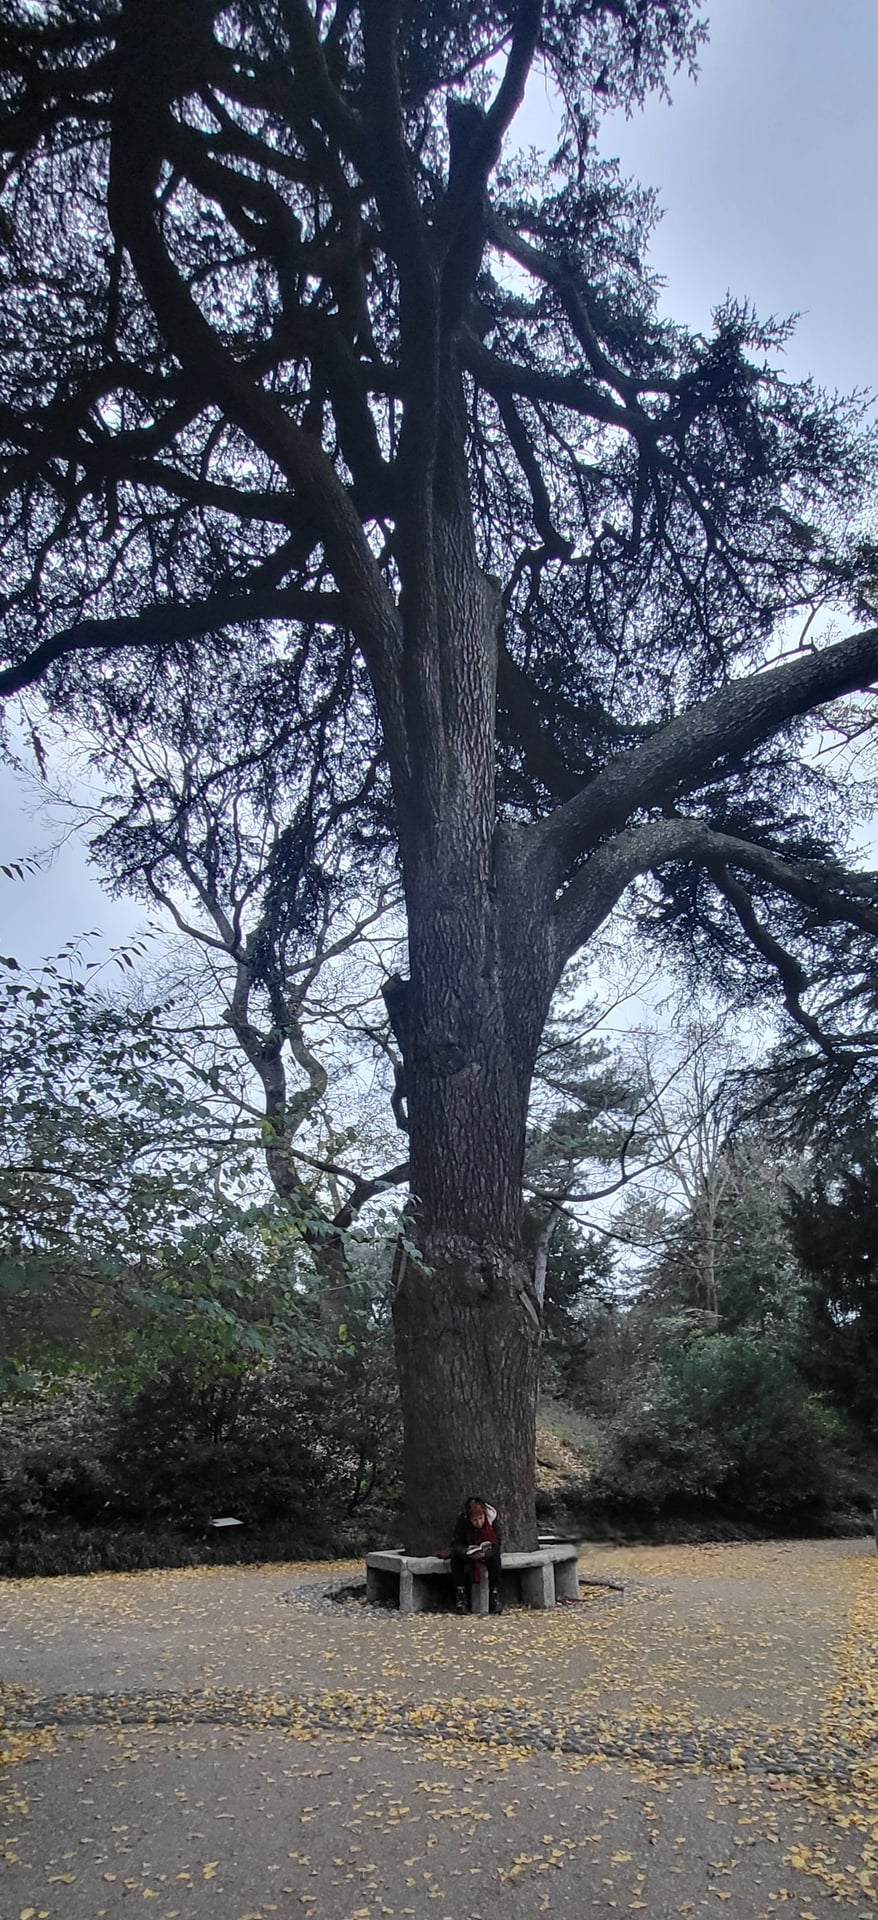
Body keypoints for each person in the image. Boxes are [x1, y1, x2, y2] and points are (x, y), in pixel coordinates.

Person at [450, 1495, 503, 1615]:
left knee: (495, 1560)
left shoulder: (492, 1522)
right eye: (475, 1520)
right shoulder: (462, 1521)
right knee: (455, 1559)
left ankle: (495, 1597)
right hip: (468, 1552)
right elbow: (456, 1542)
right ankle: (461, 1598)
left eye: (480, 1518)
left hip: (486, 1553)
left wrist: (486, 1554)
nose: (478, 1523)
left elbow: (497, 1542)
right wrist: (466, 1553)